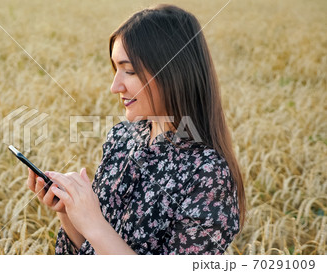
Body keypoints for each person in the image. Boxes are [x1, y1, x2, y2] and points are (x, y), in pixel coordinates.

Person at [27, 3, 246, 255]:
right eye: (115, 68)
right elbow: (90, 251)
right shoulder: (121, 137)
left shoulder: (208, 174)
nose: (115, 86)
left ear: (172, 73)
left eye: (129, 70)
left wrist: (93, 222)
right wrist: (69, 212)